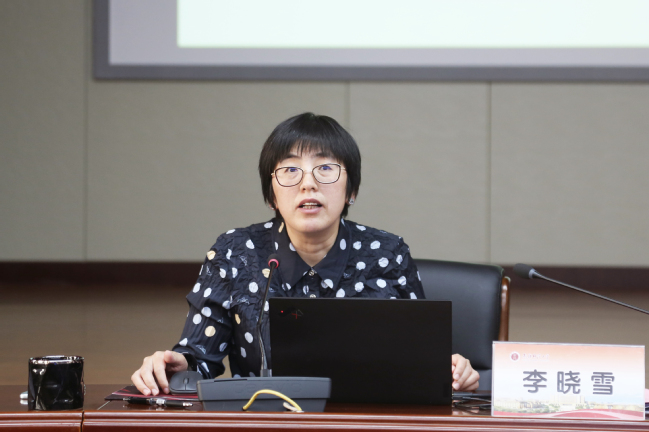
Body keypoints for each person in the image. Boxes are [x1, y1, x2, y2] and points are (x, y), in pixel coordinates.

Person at [131, 113, 480, 396]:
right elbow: (198, 361)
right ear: (271, 195)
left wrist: (453, 371)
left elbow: (423, 364)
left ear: (351, 190)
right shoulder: (235, 253)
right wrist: (175, 365)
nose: (308, 183)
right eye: (290, 170)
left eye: (325, 168)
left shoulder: (387, 255)